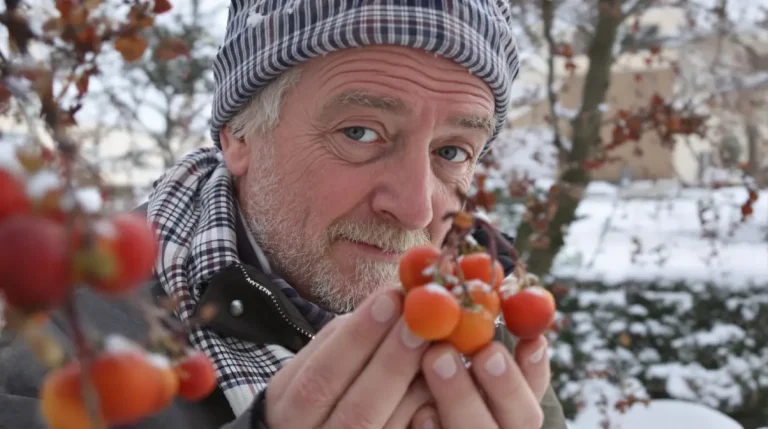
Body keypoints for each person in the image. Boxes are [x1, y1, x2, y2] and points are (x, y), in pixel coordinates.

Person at [0, 1, 567, 428]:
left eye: (450, 152)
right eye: (360, 132)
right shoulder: (59, 357)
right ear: (239, 137)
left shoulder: (483, 341)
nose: (416, 207)